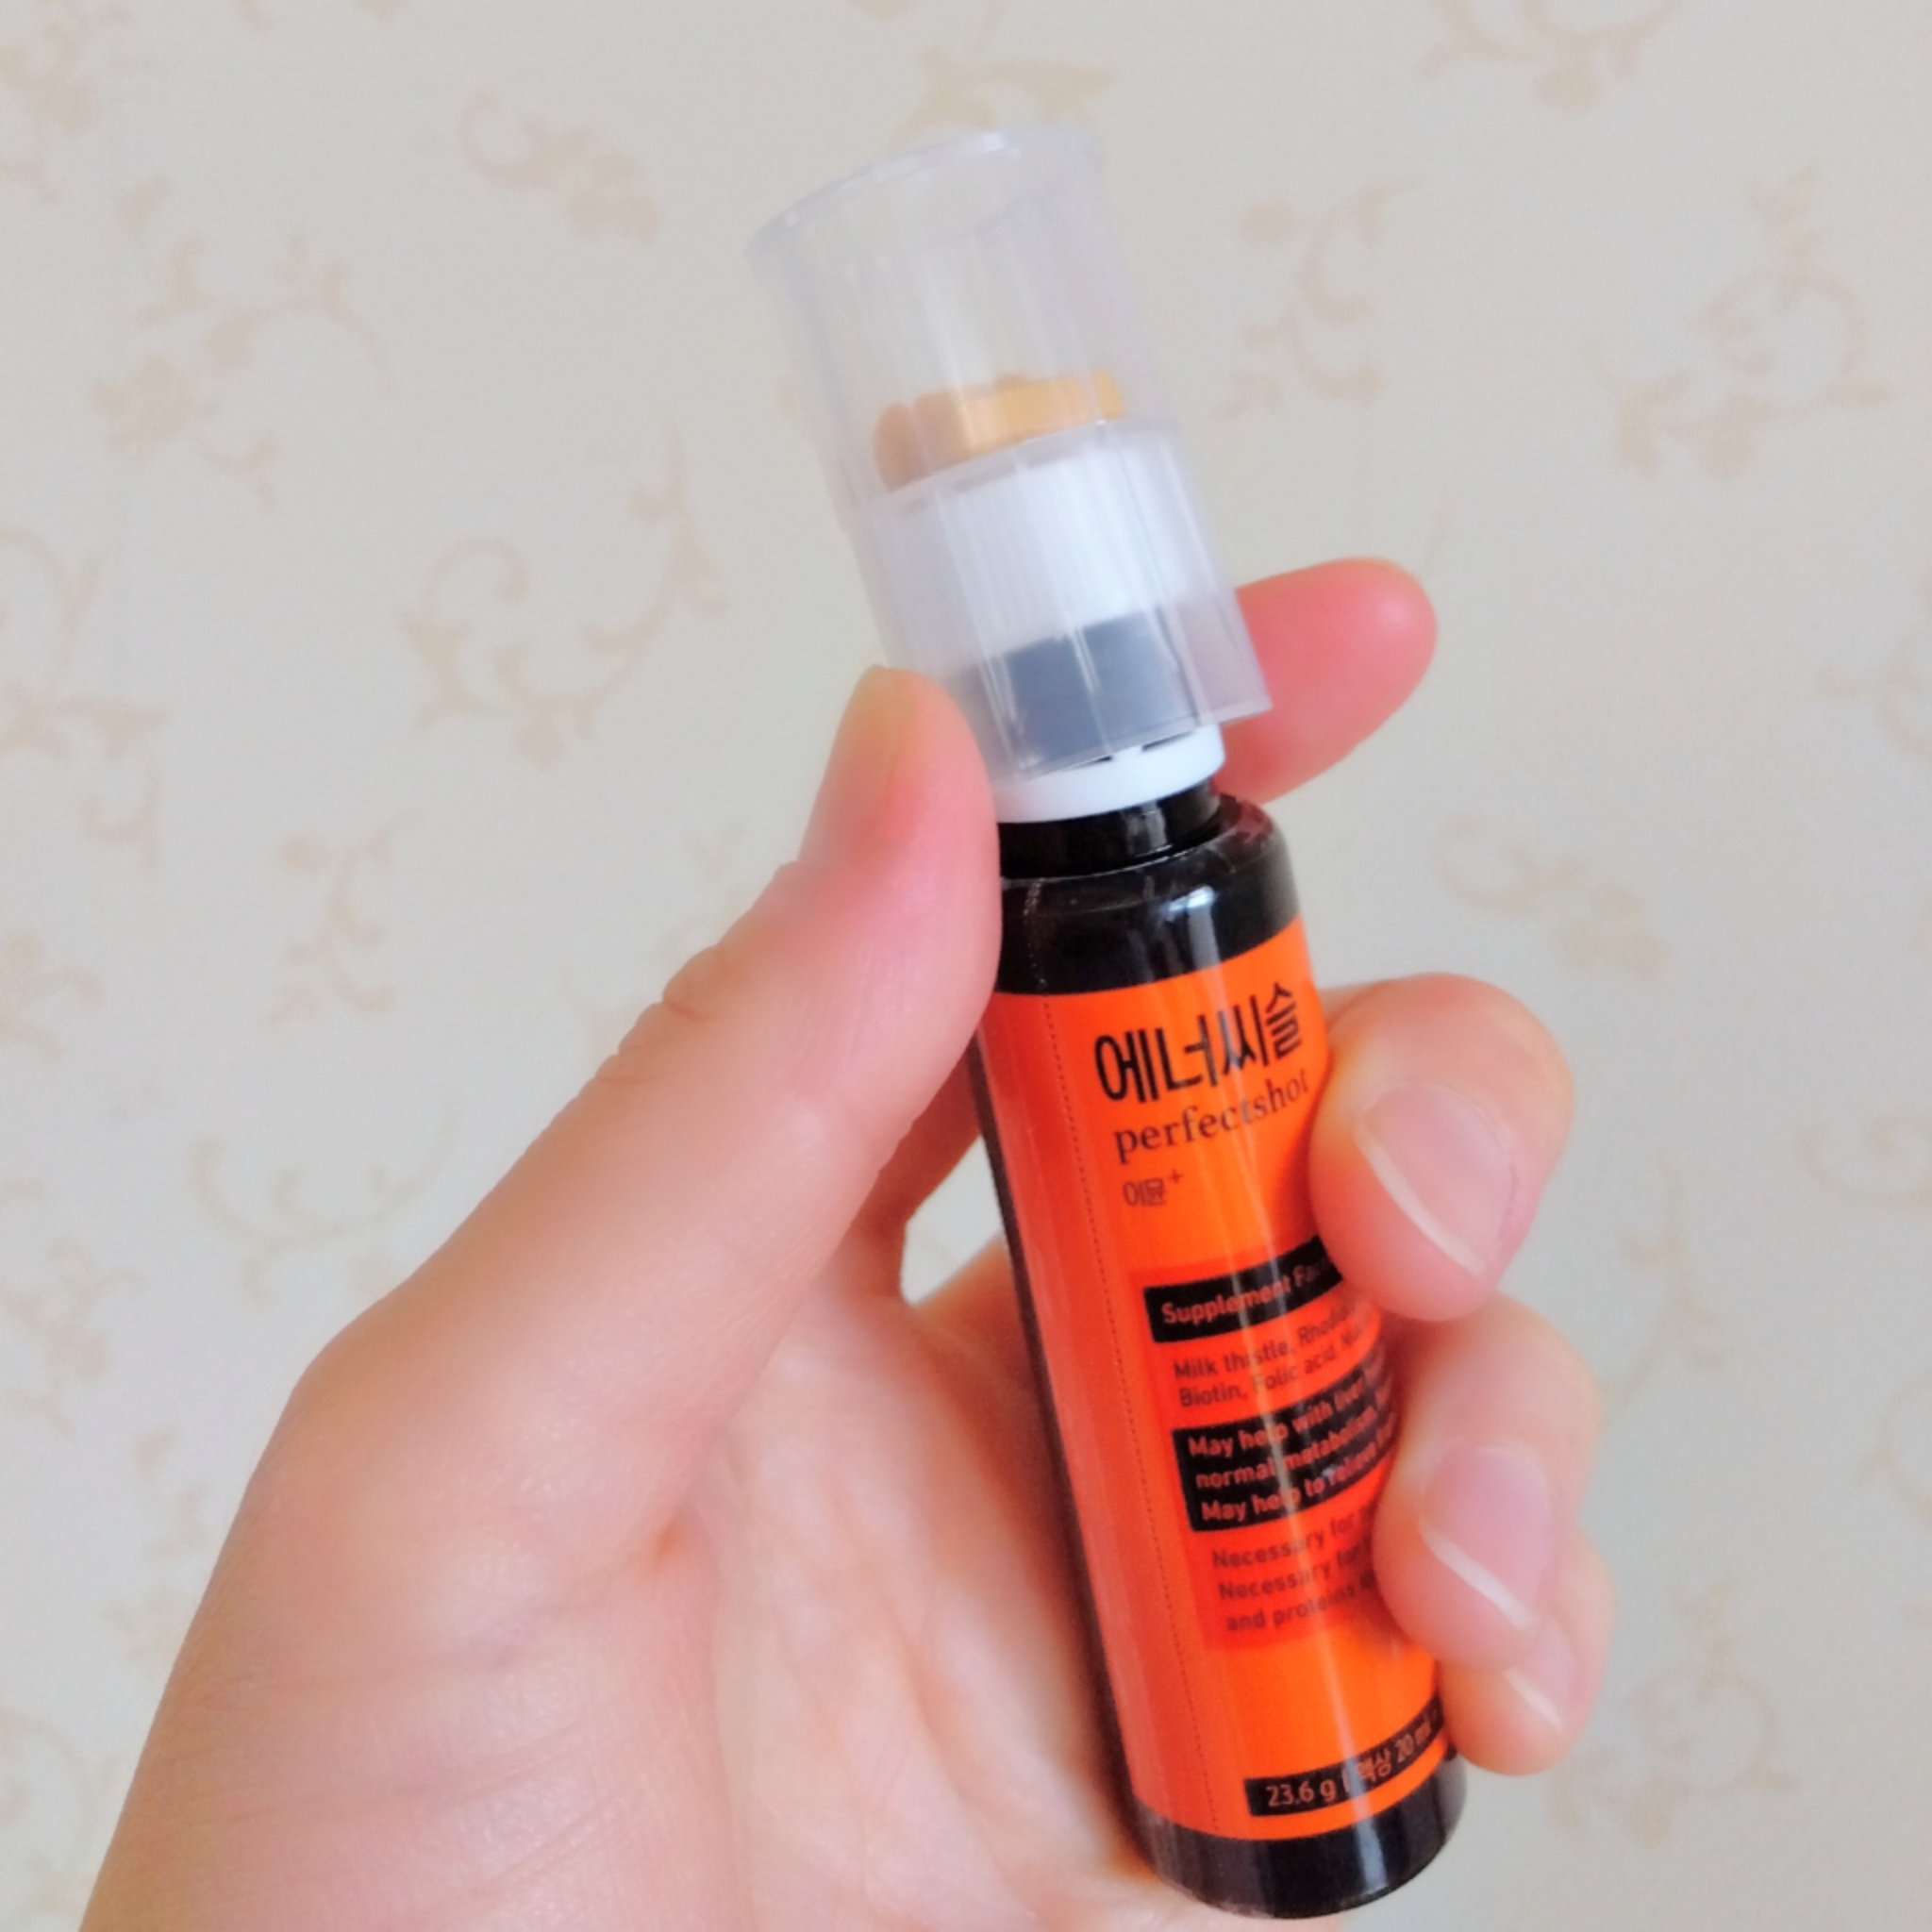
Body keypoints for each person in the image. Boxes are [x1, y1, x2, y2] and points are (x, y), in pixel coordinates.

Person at [81, 561, 1609, 1929]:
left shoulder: (1209, 867)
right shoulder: (1031, 917)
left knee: (1363, 1298)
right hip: (1066, 1767)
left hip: (1159, 1753)